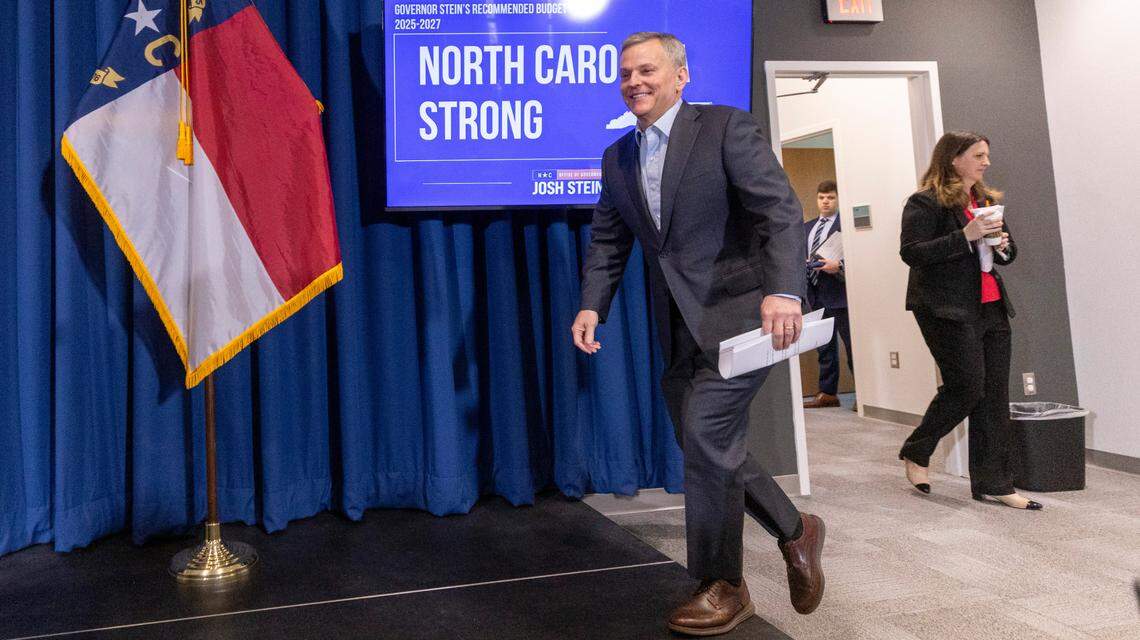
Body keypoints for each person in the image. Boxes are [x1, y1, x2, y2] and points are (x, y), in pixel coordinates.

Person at [571, 32, 826, 636]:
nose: (635, 81)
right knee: (704, 446)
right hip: (677, 325)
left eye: (648, 70)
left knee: (707, 432)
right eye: (626, 72)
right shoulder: (617, 158)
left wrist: (785, 291)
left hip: (746, 317)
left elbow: (780, 213)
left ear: (680, 76)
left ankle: (723, 584)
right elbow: (610, 241)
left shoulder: (726, 128)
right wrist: (591, 307)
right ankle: (797, 529)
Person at [897, 131, 1042, 511]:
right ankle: (917, 449)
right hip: (945, 308)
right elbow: (912, 253)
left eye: (986, 155)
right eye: (978, 155)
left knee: (994, 396)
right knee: (967, 386)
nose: (986, 162)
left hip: (990, 306)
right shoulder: (924, 202)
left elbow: (1007, 255)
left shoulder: (986, 200)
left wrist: (1004, 247)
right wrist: (964, 235)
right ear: (954, 158)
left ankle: (995, 483)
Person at [803, 180, 853, 409]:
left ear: (837, 199)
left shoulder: (847, 225)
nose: (825, 201)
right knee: (824, 346)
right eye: (822, 197)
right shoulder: (808, 227)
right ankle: (828, 392)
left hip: (840, 294)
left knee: (852, 345)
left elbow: (859, 256)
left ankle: (863, 393)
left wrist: (839, 266)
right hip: (816, 294)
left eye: (830, 197)